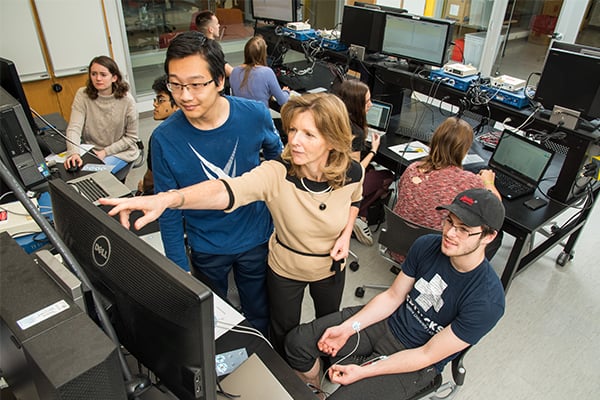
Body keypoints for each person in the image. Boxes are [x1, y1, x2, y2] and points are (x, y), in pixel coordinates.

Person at [100, 93, 364, 356]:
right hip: (287, 269)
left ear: (331, 139)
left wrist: (345, 234)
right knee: (283, 333)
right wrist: (170, 198)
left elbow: (354, 200)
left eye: (308, 134)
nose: (294, 141)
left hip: (330, 268)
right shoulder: (277, 172)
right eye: (293, 130)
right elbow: (224, 190)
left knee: (328, 326)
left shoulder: (352, 172)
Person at [284, 188, 506, 400]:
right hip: (388, 322)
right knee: (297, 343)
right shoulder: (427, 245)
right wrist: (347, 328)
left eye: (464, 229)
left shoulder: (488, 300)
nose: (449, 233)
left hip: (417, 358)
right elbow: (393, 297)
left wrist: (364, 372)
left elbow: (427, 354)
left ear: (488, 236)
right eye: (449, 221)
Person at [147, 31, 283, 335]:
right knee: (215, 317)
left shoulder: (255, 115)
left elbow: (278, 162)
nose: (184, 96)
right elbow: (168, 209)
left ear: (220, 80)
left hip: (255, 236)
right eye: (176, 84)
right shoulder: (163, 139)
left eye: (196, 84)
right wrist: (180, 268)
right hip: (206, 244)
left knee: (259, 310)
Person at [392, 116, 502, 262]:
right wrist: (488, 182)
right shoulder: (468, 181)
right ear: (464, 150)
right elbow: (496, 208)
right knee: (493, 235)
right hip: (432, 260)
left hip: (397, 246)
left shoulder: (413, 168)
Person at [336, 79, 394, 246]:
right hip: (343, 184)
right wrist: (374, 150)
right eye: (367, 101)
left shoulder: (336, 120)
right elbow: (356, 170)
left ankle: (361, 215)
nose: (371, 104)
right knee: (387, 176)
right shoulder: (356, 132)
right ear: (356, 105)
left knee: (371, 171)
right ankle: (356, 215)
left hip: (329, 178)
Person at [64, 55, 139, 176]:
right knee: (73, 175)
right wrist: (74, 152)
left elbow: (131, 137)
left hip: (120, 152)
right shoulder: (82, 95)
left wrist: (105, 152)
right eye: (94, 74)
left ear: (114, 77)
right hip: (91, 150)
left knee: (96, 176)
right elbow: (74, 128)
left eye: (103, 75)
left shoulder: (127, 100)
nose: (98, 78)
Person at [137, 75, 179, 195]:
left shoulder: (160, 136)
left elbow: (151, 178)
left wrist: (144, 186)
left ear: (177, 105)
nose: (155, 104)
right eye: (155, 100)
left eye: (161, 100)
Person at [229, 35, 290, 109]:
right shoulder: (267, 72)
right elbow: (283, 101)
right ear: (263, 54)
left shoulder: (234, 72)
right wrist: (286, 92)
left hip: (240, 118)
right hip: (261, 118)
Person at [194, 10, 234, 77]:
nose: (219, 25)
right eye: (217, 24)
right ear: (211, 30)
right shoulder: (212, 48)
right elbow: (229, 72)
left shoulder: (195, 45)